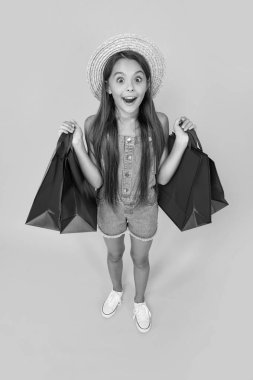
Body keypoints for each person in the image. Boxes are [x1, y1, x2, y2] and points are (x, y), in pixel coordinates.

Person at [58, 33, 197, 333]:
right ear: (108, 88)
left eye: (138, 79)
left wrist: (182, 142)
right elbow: (95, 180)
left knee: (140, 259)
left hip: (146, 208)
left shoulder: (158, 122)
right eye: (120, 80)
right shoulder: (94, 126)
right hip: (108, 207)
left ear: (147, 85)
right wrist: (79, 146)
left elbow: (161, 177)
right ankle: (117, 290)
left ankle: (139, 301)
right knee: (114, 254)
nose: (129, 87)